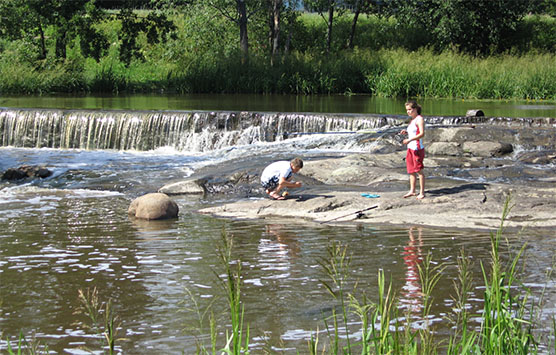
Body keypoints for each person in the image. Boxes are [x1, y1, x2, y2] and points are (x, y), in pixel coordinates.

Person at [400, 100, 426, 199]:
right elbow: (414, 132)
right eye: (407, 110)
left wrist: (410, 139)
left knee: (419, 170)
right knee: (411, 170)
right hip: (410, 148)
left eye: (410, 109)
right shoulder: (412, 120)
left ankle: (422, 192)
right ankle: (412, 190)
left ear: (415, 109)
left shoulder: (419, 119)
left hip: (417, 148)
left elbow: (422, 134)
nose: (408, 112)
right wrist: (406, 132)